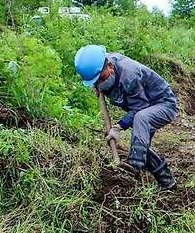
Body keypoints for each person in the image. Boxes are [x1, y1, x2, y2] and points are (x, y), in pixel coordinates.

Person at [74, 44, 178, 190]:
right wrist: (98, 84)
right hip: (143, 106)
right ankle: (168, 182)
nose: (99, 83)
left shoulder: (129, 74)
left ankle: (132, 170)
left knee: (140, 120)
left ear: (110, 66)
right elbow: (100, 77)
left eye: (100, 79)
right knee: (140, 144)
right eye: (95, 81)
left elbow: (140, 108)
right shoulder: (99, 64)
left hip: (162, 104)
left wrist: (118, 127)